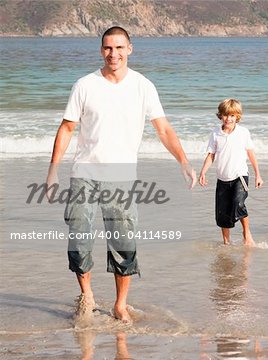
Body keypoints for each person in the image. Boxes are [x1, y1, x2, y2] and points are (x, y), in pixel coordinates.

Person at [46, 26, 196, 323]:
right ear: (101, 50)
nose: (113, 54)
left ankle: (119, 304)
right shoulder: (85, 85)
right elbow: (66, 128)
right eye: (107, 48)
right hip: (84, 175)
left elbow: (163, 129)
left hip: (122, 178)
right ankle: (87, 295)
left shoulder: (143, 86)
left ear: (130, 48)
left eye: (119, 48)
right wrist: (52, 170)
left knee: (123, 243)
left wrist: (183, 161)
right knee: (79, 241)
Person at [199, 99, 263, 246]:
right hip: (222, 178)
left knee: (238, 203)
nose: (229, 118)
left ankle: (246, 233)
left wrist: (258, 174)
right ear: (220, 115)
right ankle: (226, 242)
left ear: (237, 117)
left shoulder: (243, 132)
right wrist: (203, 172)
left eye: (232, 115)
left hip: (240, 175)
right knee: (222, 213)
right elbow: (211, 155)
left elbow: (251, 154)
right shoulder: (216, 133)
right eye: (226, 115)